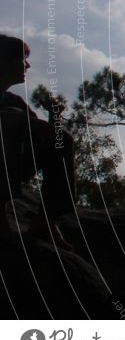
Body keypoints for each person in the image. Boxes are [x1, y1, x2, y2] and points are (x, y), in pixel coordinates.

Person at [0, 34, 75, 249]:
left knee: (63, 140)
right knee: (9, 120)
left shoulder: (15, 101)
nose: (28, 65)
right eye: (22, 59)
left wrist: (54, 119)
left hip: (11, 167)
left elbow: (46, 137)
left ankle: (46, 221)